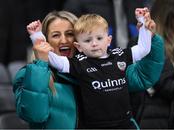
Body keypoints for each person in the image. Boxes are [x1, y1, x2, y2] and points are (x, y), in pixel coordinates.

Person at [26, 8, 163, 128]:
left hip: (125, 124)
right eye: (87, 40)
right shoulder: (76, 64)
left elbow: (144, 52)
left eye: (69, 33)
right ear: (78, 44)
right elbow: (52, 60)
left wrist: (145, 27)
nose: (94, 44)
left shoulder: (119, 56)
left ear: (108, 40)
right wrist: (37, 40)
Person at [130, 0, 174, 128]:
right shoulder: (150, 43)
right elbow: (167, 86)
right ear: (171, 21)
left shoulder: (168, 45)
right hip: (150, 121)